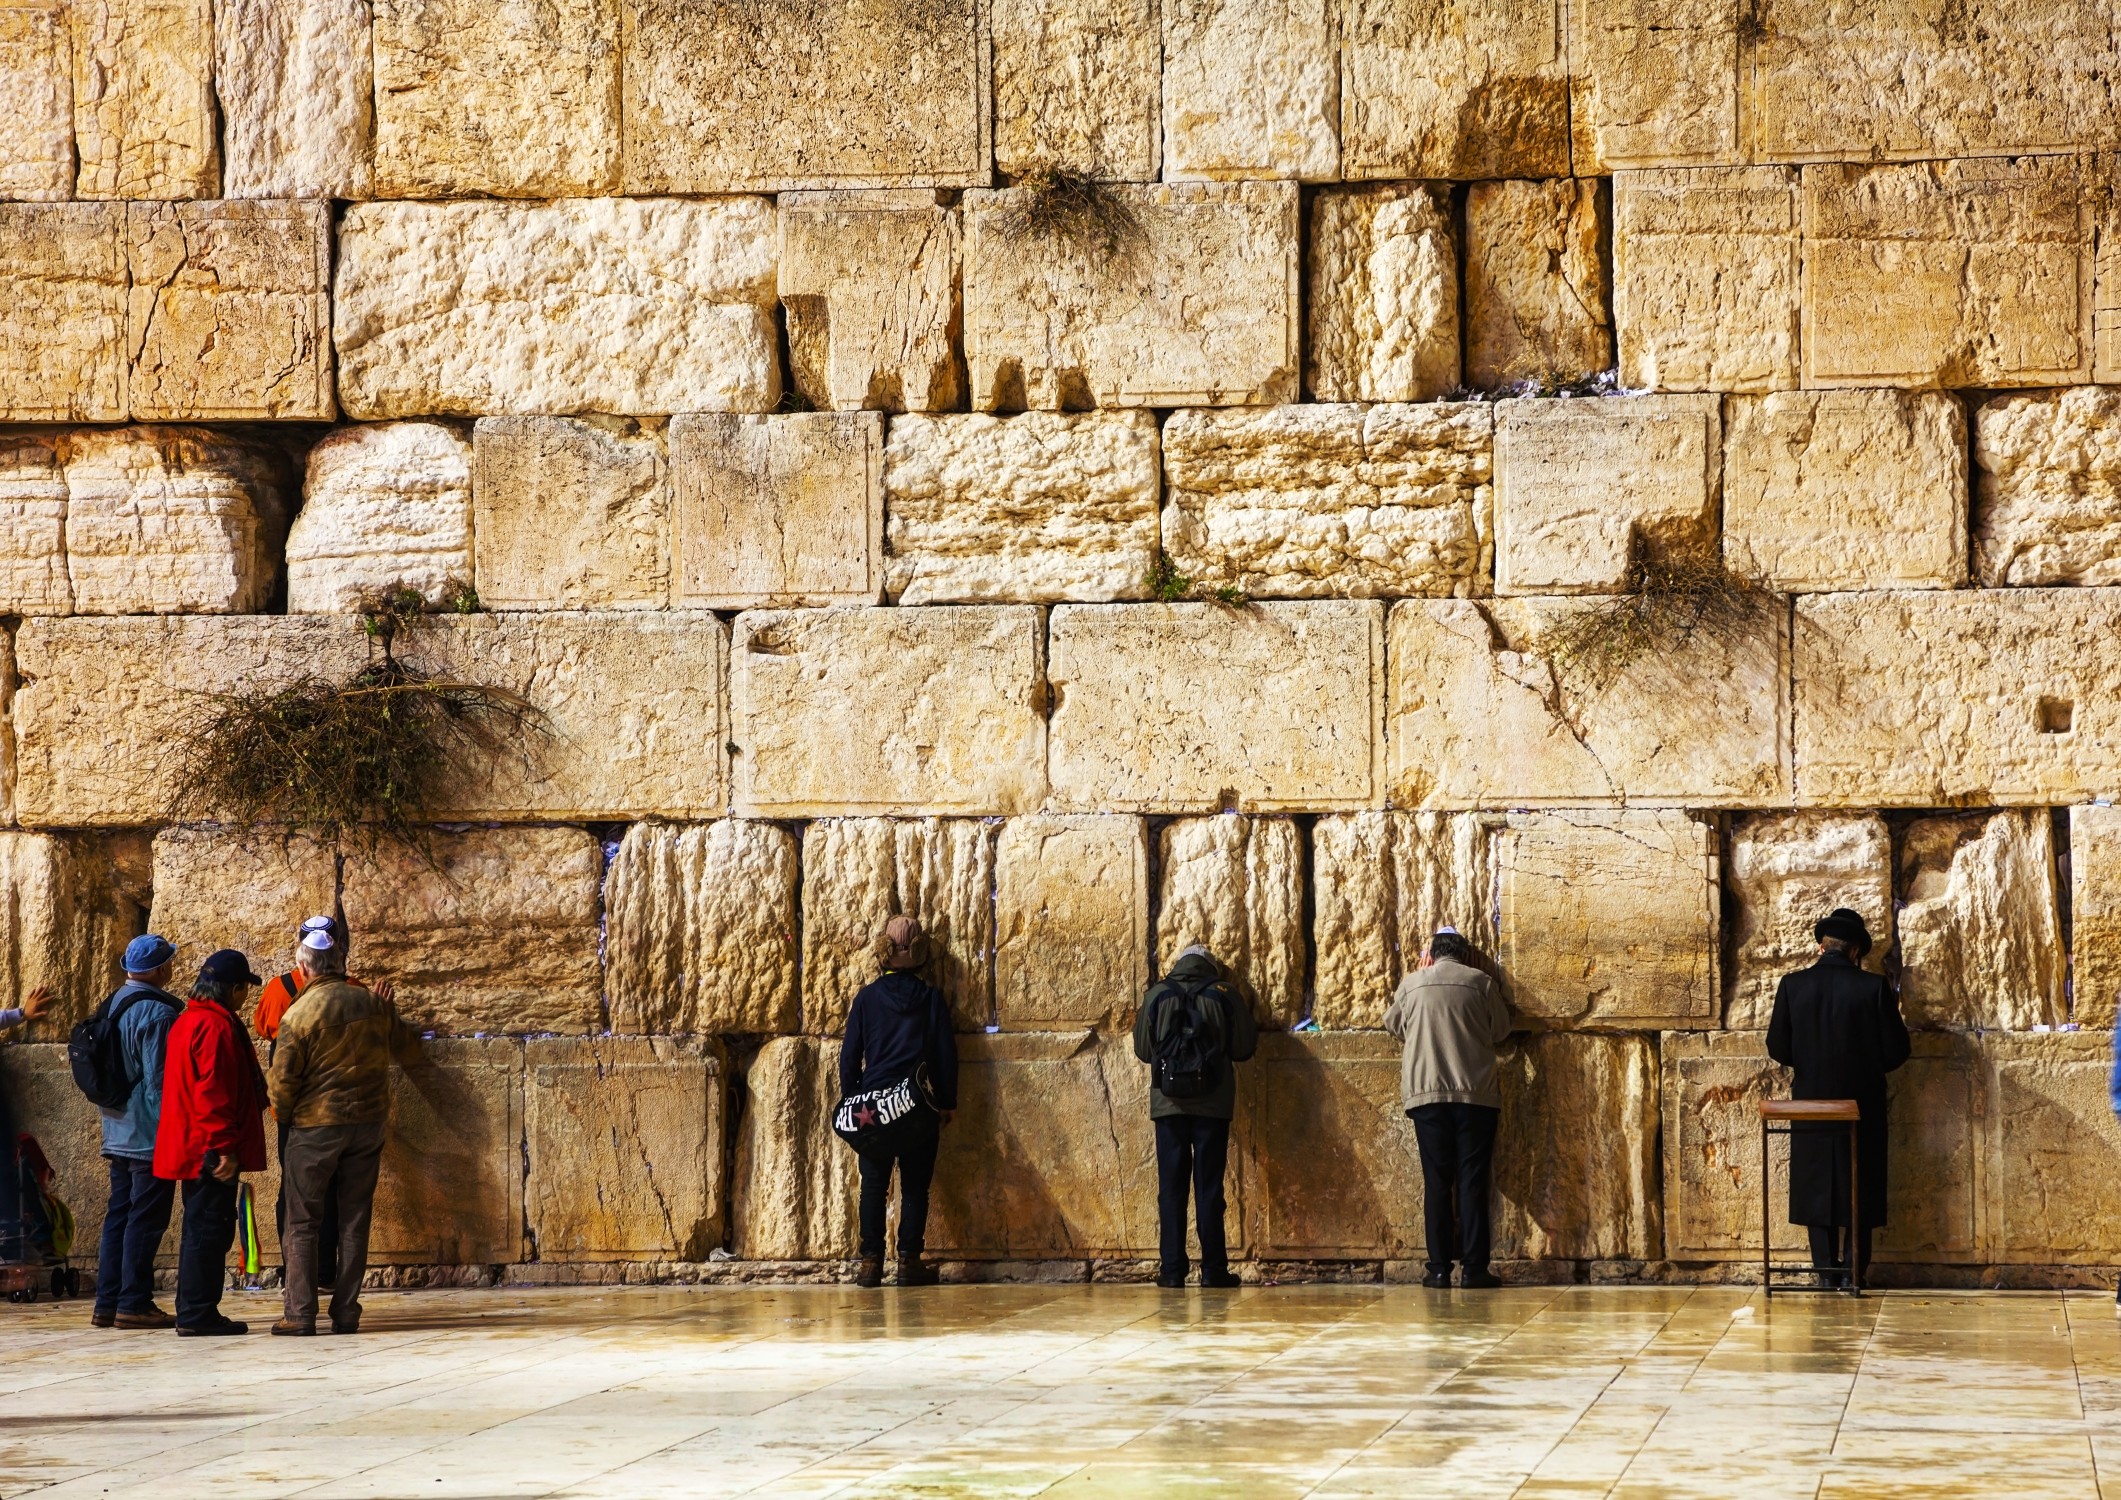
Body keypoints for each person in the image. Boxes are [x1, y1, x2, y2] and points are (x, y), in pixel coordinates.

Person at [266, 930, 420, 1335]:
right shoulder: (371, 1003)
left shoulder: (297, 1016)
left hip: (316, 1126)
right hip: (367, 1126)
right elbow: (406, 1046)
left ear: (303, 968)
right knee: (355, 1218)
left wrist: (289, 1118)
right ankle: (346, 1312)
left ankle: (299, 1314)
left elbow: (281, 1086)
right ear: (340, 964)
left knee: (302, 1221)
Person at [1766, 908, 1910, 1285]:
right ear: (1855, 951)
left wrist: (1812, 1064)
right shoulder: (1874, 988)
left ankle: (1826, 1273)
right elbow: (1897, 1051)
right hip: (1862, 1104)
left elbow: (1778, 1046)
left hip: (1811, 1103)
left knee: (1817, 1186)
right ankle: (1853, 1274)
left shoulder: (1792, 986)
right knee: (1860, 1184)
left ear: (1821, 946)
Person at [1385, 927, 1513, 1290]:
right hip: (1475, 1097)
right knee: (1473, 1182)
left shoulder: (1412, 984)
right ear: (1466, 954)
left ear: (1432, 952)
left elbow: (1394, 1025)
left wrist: (1420, 979)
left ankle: (1438, 1270)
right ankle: (1474, 1270)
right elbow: (1501, 1030)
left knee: (1437, 1183)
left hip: (1427, 1097)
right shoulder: (1481, 982)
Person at [153, 950, 269, 1336]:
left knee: (200, 1228)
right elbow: (212, 1093)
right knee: (209, 1229)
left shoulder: (189, 1021)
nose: (245, 999)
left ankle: (194, 1309)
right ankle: (198, 1313)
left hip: (193, 1144)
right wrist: (224, 1146)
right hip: (207, 1148)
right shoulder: (216, 1028)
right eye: (244, 990)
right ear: (234, 989)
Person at [838, 916, 956, 1290]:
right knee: (915, 1187)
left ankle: (870, 1263)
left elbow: (848, 1057)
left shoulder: (867, 998)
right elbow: (944, 1054)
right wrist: (947, 1102)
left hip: (873, 1108)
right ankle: (908, 1262)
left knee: (873, 1185)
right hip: (917, 1105)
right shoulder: (931, 999)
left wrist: (853, 1098)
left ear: (882, 952)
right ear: (920, 953)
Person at [1132, 944, 1256, 1290]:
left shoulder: (1157, 994)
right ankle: (1214, 1269)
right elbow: (1245, 1048)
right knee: (1209, 1188)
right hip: (1212, 1107)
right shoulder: (1224, 994)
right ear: (1210, 967)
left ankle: (1172, 1270)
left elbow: (1143, 1050)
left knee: (1170, 1189)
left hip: (1168, 1106)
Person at [256, 917, 365, 1292]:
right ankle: (325, 1274)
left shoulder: (278, 989)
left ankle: (295, 1273)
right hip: (342, 1107)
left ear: (301, 954)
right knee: (336, 1191)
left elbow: (265, 1029)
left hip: (297, 1110)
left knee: (295, 1190)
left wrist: (281, 1111)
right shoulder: (355, 991)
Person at [90, 937, 185, 1330]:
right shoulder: (157, 1013)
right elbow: (159, 1082)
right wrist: (175, 1133)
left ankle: (106, 1303)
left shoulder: (110, 1003)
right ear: (162, 970)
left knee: (120, 1217)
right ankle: (134, 1302)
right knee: (145, 1220)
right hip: (149, 1135)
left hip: (117, 1130)